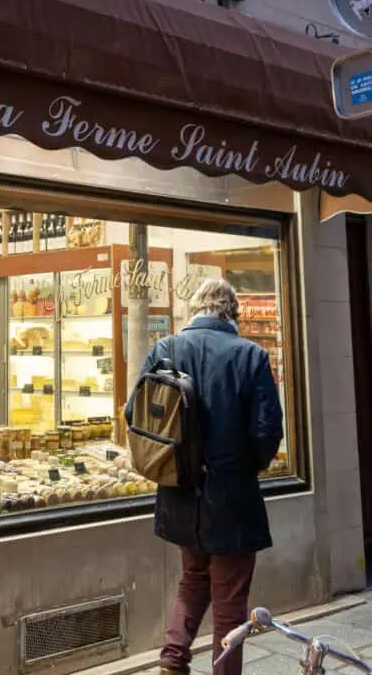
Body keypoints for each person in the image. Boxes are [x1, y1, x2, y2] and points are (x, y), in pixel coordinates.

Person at [125, 277, 283, 675]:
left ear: (195, 309)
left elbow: (134, 414)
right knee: (230, 601)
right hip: (231, 496)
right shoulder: (251, 356)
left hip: (179, 492)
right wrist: (250, 466)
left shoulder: (166, 348)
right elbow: (267, 432)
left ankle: (172, 660)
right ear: (232, 313)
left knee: (193, 578)